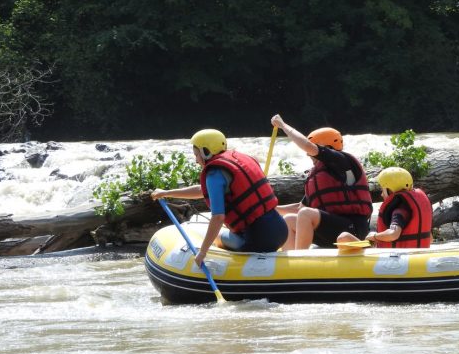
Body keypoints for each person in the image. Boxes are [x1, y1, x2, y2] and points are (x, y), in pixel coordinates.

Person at [151, 129, 287, 266]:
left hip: (257, 241)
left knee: (216, 236)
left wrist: (202, 253)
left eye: (196, 154)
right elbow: (202, 190)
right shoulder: (238, 160)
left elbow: (218, 217)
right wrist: (166, 193)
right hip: (281, 231)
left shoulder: (214, 174)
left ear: (206, 151)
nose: (196, 160)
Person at [270, 114, 373, 249]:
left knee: (306, 214)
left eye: (312, 151)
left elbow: (307, 146)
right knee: (289, 219)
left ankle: (299, 259)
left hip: (353, 228)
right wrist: (273, 208)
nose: (309, 156)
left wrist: (283, 125)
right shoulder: (318, 174)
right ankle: (289, 264)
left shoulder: (342, 161)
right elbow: (299, 208)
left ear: (326, 146)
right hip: (330, 230)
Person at [338, 167, 433, 248]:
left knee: (343, 237)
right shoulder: (410, 206)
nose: (381, 194)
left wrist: (374, 236)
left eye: (383, 190)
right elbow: (430, 238)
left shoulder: (399, 211)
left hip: (394, 259)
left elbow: (393, 234)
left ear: (390, 191)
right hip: (415, 256)